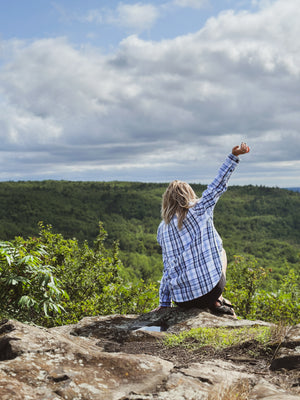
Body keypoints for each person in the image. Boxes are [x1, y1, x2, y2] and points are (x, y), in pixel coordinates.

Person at [153, 142, 250, 316]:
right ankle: (217, 299)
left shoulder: (163, 228)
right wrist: (233, 156)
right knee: (222, 251)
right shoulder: (198, 209)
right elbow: (217, 185)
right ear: (188, 194)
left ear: (167, 200)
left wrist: (164, 303)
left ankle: (212, 299)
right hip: (209, 291)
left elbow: (167, 267)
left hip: (182, 299)